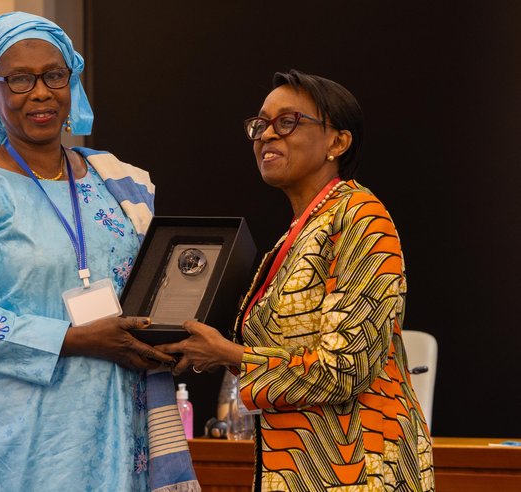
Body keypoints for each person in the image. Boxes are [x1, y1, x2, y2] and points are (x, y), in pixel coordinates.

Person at [0, 12, 193, 492]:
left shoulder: (116, 181)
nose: (41, 92)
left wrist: (171, 337)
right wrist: (75, 338)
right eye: (19, 79)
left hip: (124, 423)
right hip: (26, 441)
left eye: (55, 75)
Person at [158, 70, 434, 491]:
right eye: (260, 124)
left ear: (337, 143)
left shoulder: (360, 215)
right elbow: (287, 356)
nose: (267, 135)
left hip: (360, 468)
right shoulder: (299, 232)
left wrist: (231, 354)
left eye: (287, 122)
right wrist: (219, 353)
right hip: (301, 468)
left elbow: (345, 368)